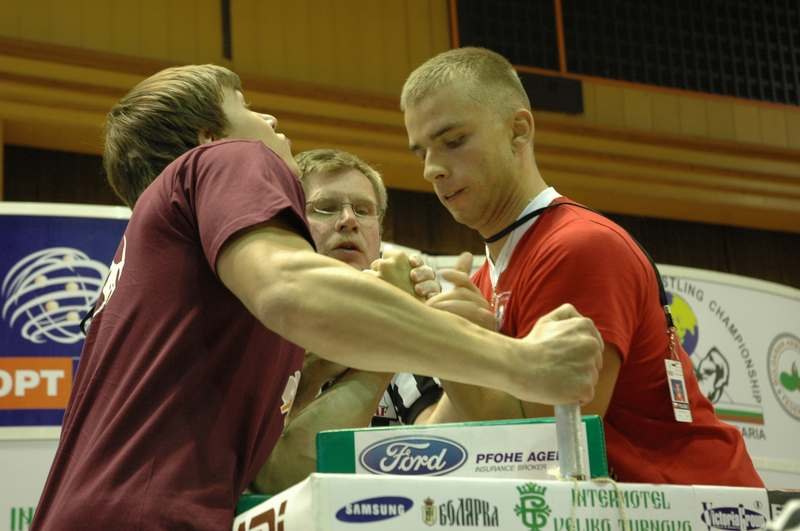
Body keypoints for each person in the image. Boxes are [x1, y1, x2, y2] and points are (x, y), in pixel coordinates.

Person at [31, 64, 604, 530]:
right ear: (211, 140)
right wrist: (524, 362)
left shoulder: (183, 280)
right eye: (247, 106)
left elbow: (276, 462)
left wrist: (370, 345)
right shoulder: (225, 159)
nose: (270, 119)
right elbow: (290, 289)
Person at [401, 47, 763, 487]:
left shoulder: (579, 247)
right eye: (421, 153)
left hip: (697, 504)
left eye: (453, 141)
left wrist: (450, 346)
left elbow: (546, 445)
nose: (432, 170)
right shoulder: (482, 280)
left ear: (518, 130)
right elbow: (448, 439)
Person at [252, 148, 444, 493]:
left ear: (379, 235)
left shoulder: (412, 319)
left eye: (363, 210)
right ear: (288, 224)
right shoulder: (255, 328)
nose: (348, 220)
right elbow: (273, 480)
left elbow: (443, 448)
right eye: (325, 208)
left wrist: (441, 328)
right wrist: (389, 330)